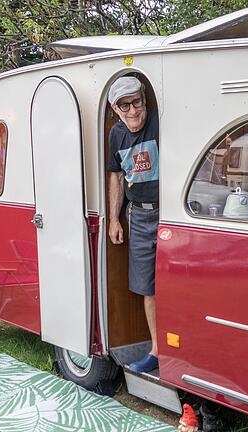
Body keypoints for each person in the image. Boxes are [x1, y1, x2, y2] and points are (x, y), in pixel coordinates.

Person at [106, 76, 160, 373]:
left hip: (169, 213)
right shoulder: (116, 134)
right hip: (138, 215)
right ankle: (156, 351)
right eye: (124, 105)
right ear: (115, 108)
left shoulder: (160, 122)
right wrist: (115, 218)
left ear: (144, 100)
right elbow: (115, 175)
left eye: (136, 102)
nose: (133, 111)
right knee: (147, 287)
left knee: (173, 285)